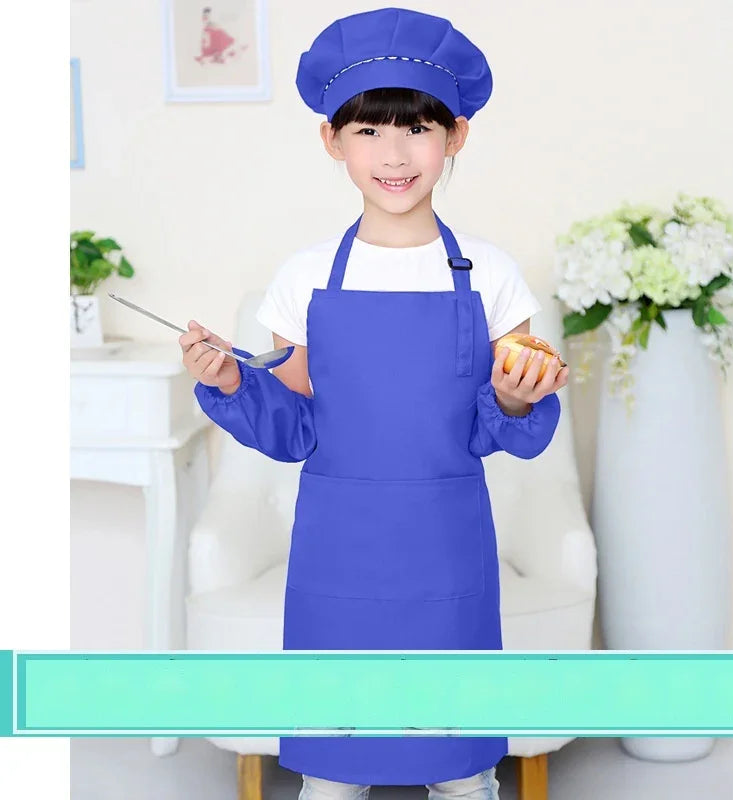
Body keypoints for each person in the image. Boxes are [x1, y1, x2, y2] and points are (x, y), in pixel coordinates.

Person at [179, 7, 569, 799]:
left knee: (462, 770)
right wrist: (229, 382)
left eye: (418, 128)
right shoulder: (306, 277)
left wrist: (514, 398)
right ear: (332, 140)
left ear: (455, 135)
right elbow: (292, 430)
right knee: (332, 770)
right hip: (338, 560)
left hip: (447, 550)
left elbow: (512, 429)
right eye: (368, 131)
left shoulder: (491, 277)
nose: (394, 154)